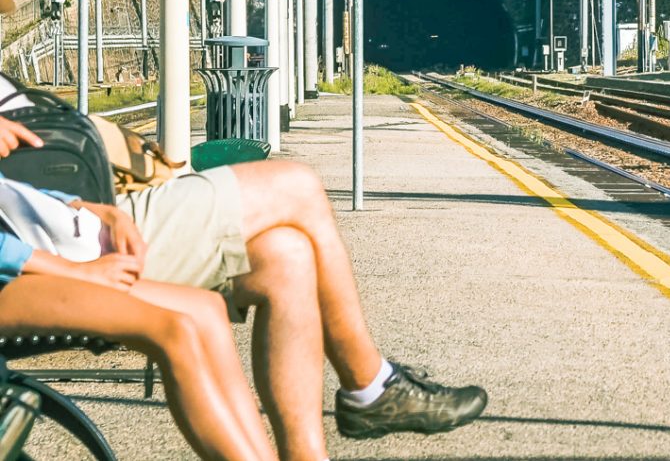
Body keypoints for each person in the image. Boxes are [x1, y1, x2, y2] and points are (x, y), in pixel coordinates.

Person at [0, 75, 485, 461]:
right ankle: (370, 385)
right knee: (296, 185)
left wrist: (89, 207)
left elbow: (13, 192)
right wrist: (68, 270)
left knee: (286, 256)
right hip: (53, 258)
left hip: (79, 228)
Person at [0, 114, 278, 461]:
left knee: (207, 310)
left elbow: (11, 194)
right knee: (175, 330)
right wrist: (77, 272)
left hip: (28, 262)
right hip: (12, 278)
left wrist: (100, 211)